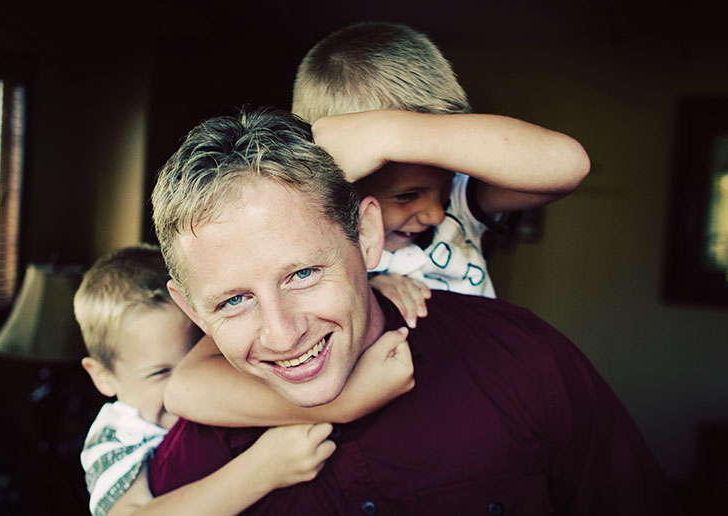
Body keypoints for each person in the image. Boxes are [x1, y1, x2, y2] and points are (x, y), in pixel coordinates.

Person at [147, 107, 682, 514]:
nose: (283, 336)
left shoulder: (524, 363)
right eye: (234, 301)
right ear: (192, 310)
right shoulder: (194, 460)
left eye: (303, 274)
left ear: (369, 235)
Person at [73, 244, 414, 516]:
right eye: (159, 373)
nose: (185, 383)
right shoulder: (115, 439)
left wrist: (372, 286)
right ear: (103, 377)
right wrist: (264, 468)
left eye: (200, 358)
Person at [293, 21, 591, 299]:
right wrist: (370, 294)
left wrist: (395, 135)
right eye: (407, 196)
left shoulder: (461, 206)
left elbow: (570, 164)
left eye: (446, 190)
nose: (436, 215)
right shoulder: (318, 233)